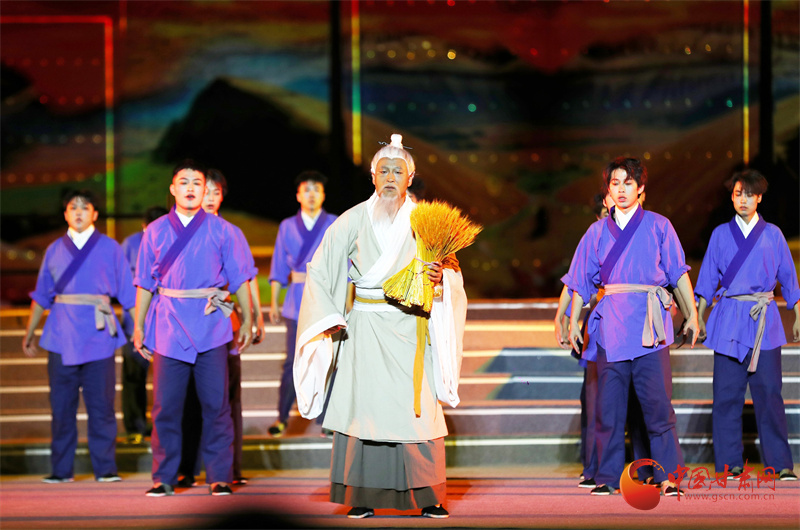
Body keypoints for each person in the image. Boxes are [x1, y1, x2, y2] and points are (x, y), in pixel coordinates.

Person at [294, 134, 467, 519]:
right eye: (383, 170)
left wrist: (441, 279)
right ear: (372, 176)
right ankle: (362, 495)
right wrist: (330, 316)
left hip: (411, 329)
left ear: (410, 178)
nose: (390, 177)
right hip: (365, 329)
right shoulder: (351, 220)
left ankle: (428, 497)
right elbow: (320, 270)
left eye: (398, 171)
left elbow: (452, 273)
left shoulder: (428, 220)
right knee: (363, 410)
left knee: (416, 413)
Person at [564, 157, 699, 496]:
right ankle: (608, 477)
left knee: (658, 408)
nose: (621, 189)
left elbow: (678, 273)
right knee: (609, 408)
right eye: (615, 183)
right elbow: (580, 281)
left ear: (640, 188)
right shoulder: (596, 232)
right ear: (608, 190)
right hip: (612, 328)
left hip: (651, 329)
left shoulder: (659, 226)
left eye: (628, 183)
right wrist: (573, 319)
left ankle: (669, 476)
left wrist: (693, 314)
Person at [133, 160, 254, 497]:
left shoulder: (224, 230)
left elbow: (240, 279)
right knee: (165, 407)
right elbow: (144, 283)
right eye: (183, 182)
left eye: (197, 183)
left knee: (217, 405)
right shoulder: (155, 230)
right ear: (172, 188)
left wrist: (248, 318)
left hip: (211, 324)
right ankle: (164, 477)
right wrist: (139, 326)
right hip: (168, 326)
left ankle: (220, 476)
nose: (190, 188)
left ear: (205, 190)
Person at [23, 189, 136, 483]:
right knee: (61, 409)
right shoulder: (53, 249)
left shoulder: (111, 248)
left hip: (99, 335)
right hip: (61, 335)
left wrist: (141, 329)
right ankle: (61, 470)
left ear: (95, 214)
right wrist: (30, 332)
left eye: (85, 207)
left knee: (102, 408)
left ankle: (106, 468)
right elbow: (41, 295)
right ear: (65, 214)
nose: (78, 212)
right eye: (73, 207)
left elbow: (129, 294)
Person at [695, 169, 799, 481]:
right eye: (738, 193)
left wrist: (797, 314)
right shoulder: (720, 235)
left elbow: (789, 279)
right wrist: (698, 317)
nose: (744, 199)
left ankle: (779, 463)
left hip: (764, 320)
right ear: (732, 197)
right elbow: (707, 279)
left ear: (760, 198)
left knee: (769, 393)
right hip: (729, 319)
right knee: (726, 395)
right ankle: (729, 463)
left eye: (750, 194)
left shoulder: (773, 235)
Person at [177, 168, 264, 487]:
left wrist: (256, 316)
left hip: (224, 319)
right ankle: (186, 468)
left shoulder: (230, 232)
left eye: (216, 192)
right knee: (188, 397)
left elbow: (246, 277)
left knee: (227, 397)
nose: (210, 198)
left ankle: (230, 469)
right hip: (185, 322)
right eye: (207, 191)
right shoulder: (180, 230)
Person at [267, 170, 336, 437]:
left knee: (328, 359)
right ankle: (282, 417)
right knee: (291, 362)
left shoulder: (334, 223)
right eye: (306, 190)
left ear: (324, 195)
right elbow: (278, 266)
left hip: (325, 299)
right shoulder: (286, 226)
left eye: (316, 189)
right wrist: (275, 303)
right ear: (298, 195)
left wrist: (345, 304)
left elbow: (345, 265)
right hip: (295, 301)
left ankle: (327, 419)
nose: (311, 195)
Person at [120, 206, 168, 445]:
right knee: (133, 376)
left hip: (166, 320)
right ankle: (135, 426)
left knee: (169, 378)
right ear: (143, 227)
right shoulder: (130, 244)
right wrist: (135, 314)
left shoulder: (174, 240)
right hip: (135, 320)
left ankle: (165, 427)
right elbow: (122, 281)